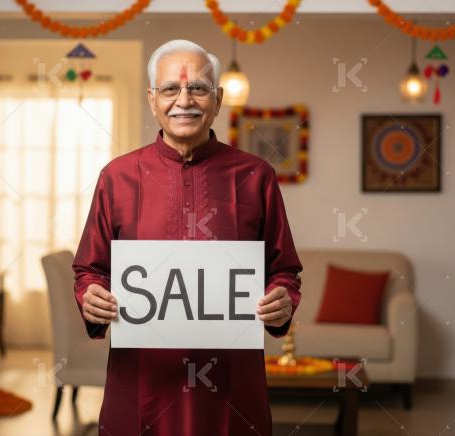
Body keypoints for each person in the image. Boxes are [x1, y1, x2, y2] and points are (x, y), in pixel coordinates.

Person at [72, 39, 302, 435]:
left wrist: (281, 300)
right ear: (152, 99)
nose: (184, 100)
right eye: (170, 89)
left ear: (218, 99)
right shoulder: (117, 177)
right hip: (142, 381)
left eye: (198, 88)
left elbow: (283, 271)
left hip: (230, 387)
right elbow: (89, 270)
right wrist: (91, 296)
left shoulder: (255, 176)